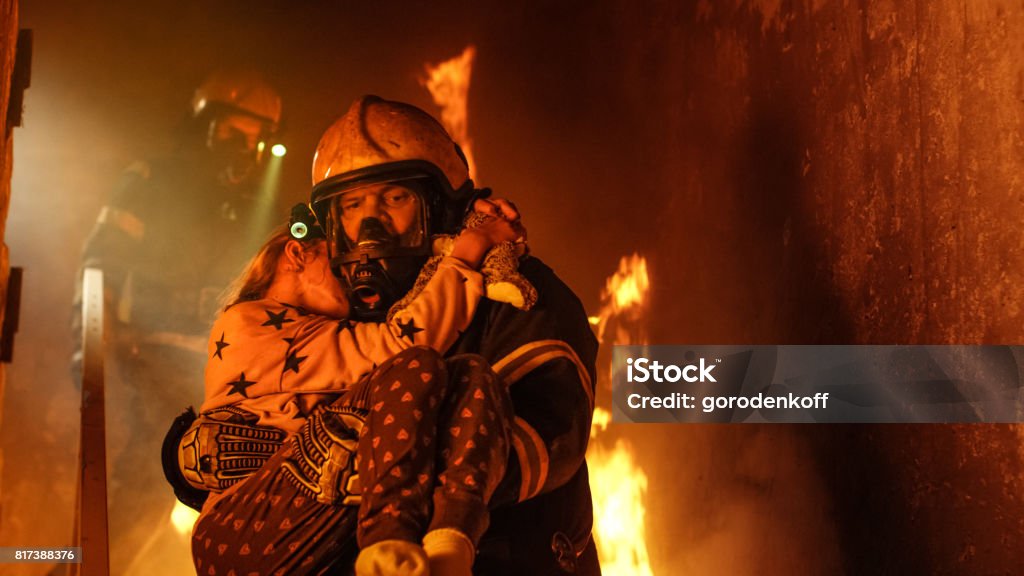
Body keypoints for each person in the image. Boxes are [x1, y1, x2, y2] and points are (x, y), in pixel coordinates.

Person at [308, 96, 600, 575]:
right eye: (352, 205)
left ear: (441, 206)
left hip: (506, 559)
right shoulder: (332, 315)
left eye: (394, 198)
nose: (369, 226)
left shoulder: (517, 293)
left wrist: (383, 475)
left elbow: (550, 434)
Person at [184, 198, 522, 576]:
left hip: (303, 524)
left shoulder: (309, 336)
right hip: (243, 528)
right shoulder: (249, 321)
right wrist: (471, 246)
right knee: (416, 365)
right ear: (297, 253)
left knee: (470, 375)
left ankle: (449, 553)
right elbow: (403, 345)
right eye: (336, 265)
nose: (351, 280)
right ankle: (388, 547)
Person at [73, 69, 284, 574]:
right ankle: (77, 564)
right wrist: (87, 349)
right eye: (233, 132)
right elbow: (99, 262)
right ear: (204, 126)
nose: (244, 148)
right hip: (152, 348)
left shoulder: (259, 204)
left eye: (256, 139)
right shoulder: (153, 181)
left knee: (236, 494)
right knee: (151, 477)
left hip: (229, 368)